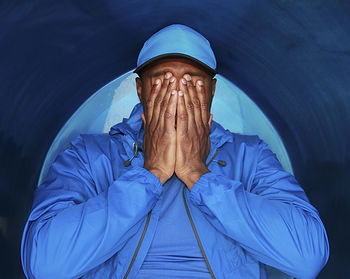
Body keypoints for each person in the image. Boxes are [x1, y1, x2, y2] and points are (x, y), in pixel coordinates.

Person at [21, 24, 329, 279]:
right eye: (162, 83)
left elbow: (307, 259)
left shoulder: (250, 156)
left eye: (193, 82)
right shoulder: (89, 156)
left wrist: (199, 175)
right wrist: (150, 174)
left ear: (212, 90)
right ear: (140, 89)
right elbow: (46, 267)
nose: (178, 95)